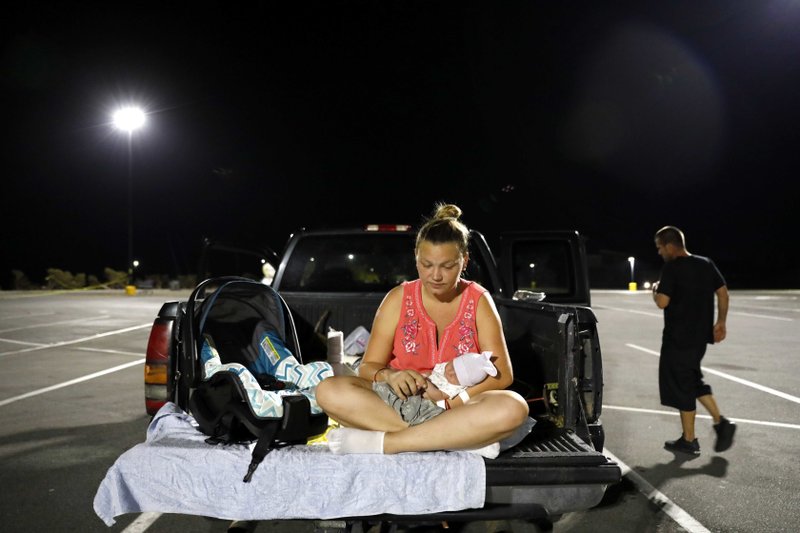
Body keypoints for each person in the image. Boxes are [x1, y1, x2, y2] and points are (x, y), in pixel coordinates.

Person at [316, 203, 529, 458]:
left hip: (458, 408)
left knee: (514, 407)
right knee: (327, 390)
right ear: (416, 258)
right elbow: (368, 366)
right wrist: (391, 376)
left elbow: (503, 375)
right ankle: (461, 439)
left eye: (447, 266)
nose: (436, 275)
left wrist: (452, 402)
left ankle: (388, 444)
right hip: (399, 405)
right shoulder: (397, 299)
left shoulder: (479, 301)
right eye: (427, 264)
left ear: (464, 261)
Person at [652, 226, 736, 455]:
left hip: (678, 339)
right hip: (699, 338)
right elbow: (723, 292)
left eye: (660, 248)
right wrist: (721, 322)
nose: (659, 252)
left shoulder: (671, 268)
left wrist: (655, 289)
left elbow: (662, 302)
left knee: (682, 385)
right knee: (692, 379)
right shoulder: (705, 263)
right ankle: (721, 424)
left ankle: (690, 440)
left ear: (670, 246)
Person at [373, 350, 498, 426]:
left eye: (456, 376)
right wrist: (426, 375)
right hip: (414, 386)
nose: (450, 373)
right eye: (453, 367)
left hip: (423, 401)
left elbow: (438, 396)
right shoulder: (445, 370)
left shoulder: (454, 388)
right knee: (384, 390)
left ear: (462, 383)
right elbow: (433, 373)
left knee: (401, 405)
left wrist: (426, 384)